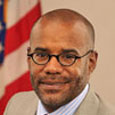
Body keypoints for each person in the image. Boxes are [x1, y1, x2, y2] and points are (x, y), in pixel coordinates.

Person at [4, 9, 115, 115]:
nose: (52, 68)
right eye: (42, 55)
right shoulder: (16, 105)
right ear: (29, 58)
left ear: (91, 62)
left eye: (68, 56)